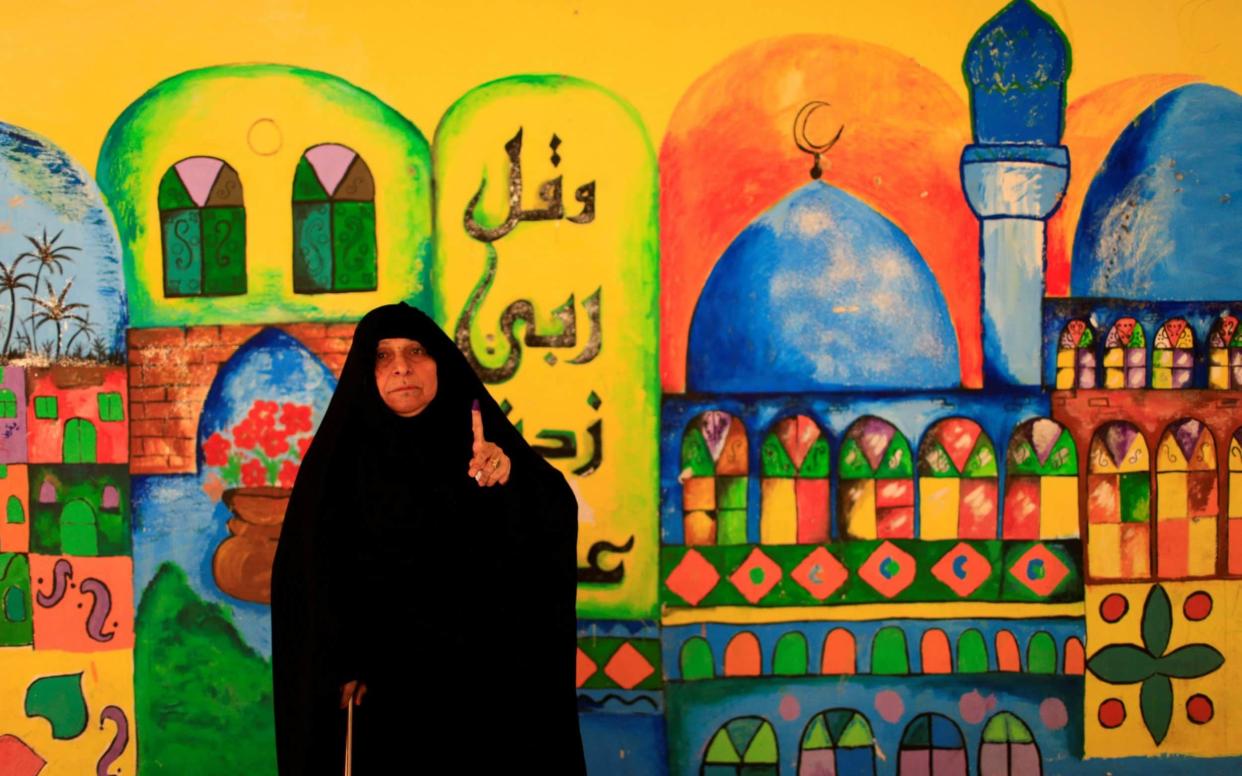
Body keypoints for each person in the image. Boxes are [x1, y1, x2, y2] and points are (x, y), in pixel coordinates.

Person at [271, 302, 585, 774]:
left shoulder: (484, 448)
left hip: (486, 698)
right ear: (365, 372)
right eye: (383, 356)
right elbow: (306, 572)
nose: (401, 366)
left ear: (441, 361)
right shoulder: (338, 463)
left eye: (417, 351)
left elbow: (553, 521)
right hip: (388, 698)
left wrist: (510, 479)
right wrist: (340, 656)